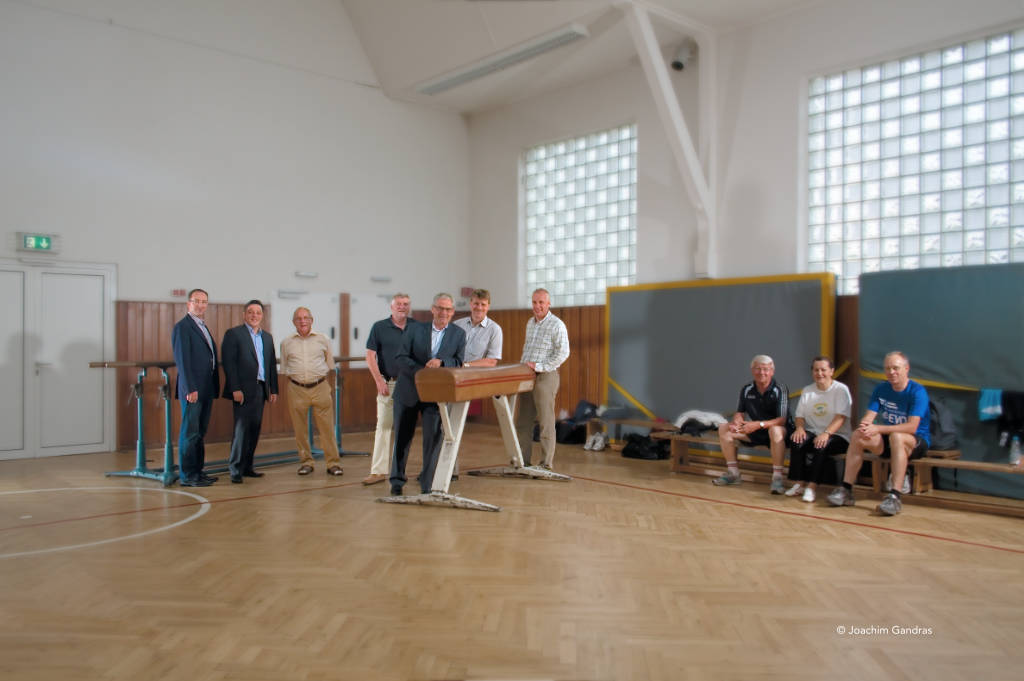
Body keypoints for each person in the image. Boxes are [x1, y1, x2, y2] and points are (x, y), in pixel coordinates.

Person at [828, 350, 930, 516]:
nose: (891, 372)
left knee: (897, 437)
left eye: (895, 368)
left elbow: (912, 427)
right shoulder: (881, 389)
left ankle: (895, 496)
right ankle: (846, 489)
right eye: (887, 368)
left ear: (906, 369)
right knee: (857, 435)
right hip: (890, 439)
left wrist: (878, 429)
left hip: (915, 441)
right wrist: (865, 426)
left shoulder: (917, 391)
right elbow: (869, 416)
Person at [389, 293, 465, 496]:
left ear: (452, 312)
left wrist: (441, 362)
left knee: (432, 440)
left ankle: (427, 483)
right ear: (433, 309)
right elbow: (401, 357)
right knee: (402, 438)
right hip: (408, 391)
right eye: (440, 308)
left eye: (448, 309)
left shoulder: (458, 334)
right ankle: (397, 481)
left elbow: (458, 361)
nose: (443, 313)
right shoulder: (414, 329)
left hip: (435, 395)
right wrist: (423, 372)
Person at [279, 307, 343, 477]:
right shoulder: (286, 342)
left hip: (320, 386)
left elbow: (330, 364)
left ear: (311, 320)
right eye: (298, 318)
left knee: (327, 428)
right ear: (294, 322)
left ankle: (333, 463)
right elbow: (284, 368)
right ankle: (306, 462)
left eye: (306, 317)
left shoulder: (323, 339)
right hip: (296, 388)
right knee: (300, 430)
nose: (302, 321)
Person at [220, 299, 278, 484]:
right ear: (244, 314)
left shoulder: (267, 337)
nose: (254, 315)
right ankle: (235, 469)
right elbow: (229, 364)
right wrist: (235, 388)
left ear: (262, 316)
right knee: (241, 430)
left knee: (254, 429)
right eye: (251, 312)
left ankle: (247, 467)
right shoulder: (234, 334)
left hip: (261, 389)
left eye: (258, 313)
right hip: (242, 391)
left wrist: (273, 389)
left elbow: (271, 365)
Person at [712, 355, 790, 493]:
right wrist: (737, 421)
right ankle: (733, 473)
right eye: (758, 369)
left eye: (765, 369)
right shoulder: (746, 389)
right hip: (755, 431)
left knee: (775, 430)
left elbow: (782, 419)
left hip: (778, 432)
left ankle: (777, 478)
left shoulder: (780, 389)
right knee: (724, 428)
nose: (762, 372)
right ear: (752, 371)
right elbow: (740, 412)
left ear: (772, 371)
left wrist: (758, 424)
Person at [363, 293, 415, 486]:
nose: (402, 307)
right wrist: (379, 380)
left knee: (405, 430)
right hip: (388, 384)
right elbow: (370, 356)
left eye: (406, 304)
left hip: (410, 385)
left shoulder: (417, 327)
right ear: (391, 307)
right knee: (383, 426)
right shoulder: (379, 327)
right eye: (398, 304)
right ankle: (378, 472)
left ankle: (399, 472)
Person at [515, 288, 570, 470]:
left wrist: (539, 366)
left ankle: (546, 464)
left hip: (546, 376)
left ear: (548, 304)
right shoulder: (530, 323)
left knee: (545, 421)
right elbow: (527, 350)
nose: (537, 306)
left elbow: (563, 353)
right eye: (534, 302)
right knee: (523, 422)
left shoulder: (557, 325)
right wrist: (523, 368)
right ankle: (523, 461)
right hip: (527, 375)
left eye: (541, 302)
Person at [784, 356, 851, 502]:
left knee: (821, 444)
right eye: (816, 370)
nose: (819, 373)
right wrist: (799, 428)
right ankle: (799, 483)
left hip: (838, 435)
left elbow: (840, 417)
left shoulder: (841, 390)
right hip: (815, 432)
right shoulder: (808, 390)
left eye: (823, 370)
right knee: (797, 440)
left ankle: (812, 487)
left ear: (831, 371)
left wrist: (826, 433)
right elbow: (800, 416)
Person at [172, 288, 220, 487]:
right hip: (193, 390)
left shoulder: (202, 326)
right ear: (188, 303)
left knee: (200, 432)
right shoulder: (183, 327)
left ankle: (198, 472)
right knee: (190, 433)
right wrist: (190, 388)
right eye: (196, 301)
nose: (200, 305)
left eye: (204, 302)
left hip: (206, 388)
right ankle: (187, 475)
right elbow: (182, 361)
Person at [455, 289, 503, 369]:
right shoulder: (457, 325)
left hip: (477, 374)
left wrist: (465, 365)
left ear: (488, 306)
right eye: (476, 303)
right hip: (454, 372)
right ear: (471, 304)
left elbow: (491, 362)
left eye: (483, 304)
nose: (479, 308)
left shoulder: (495, 329)